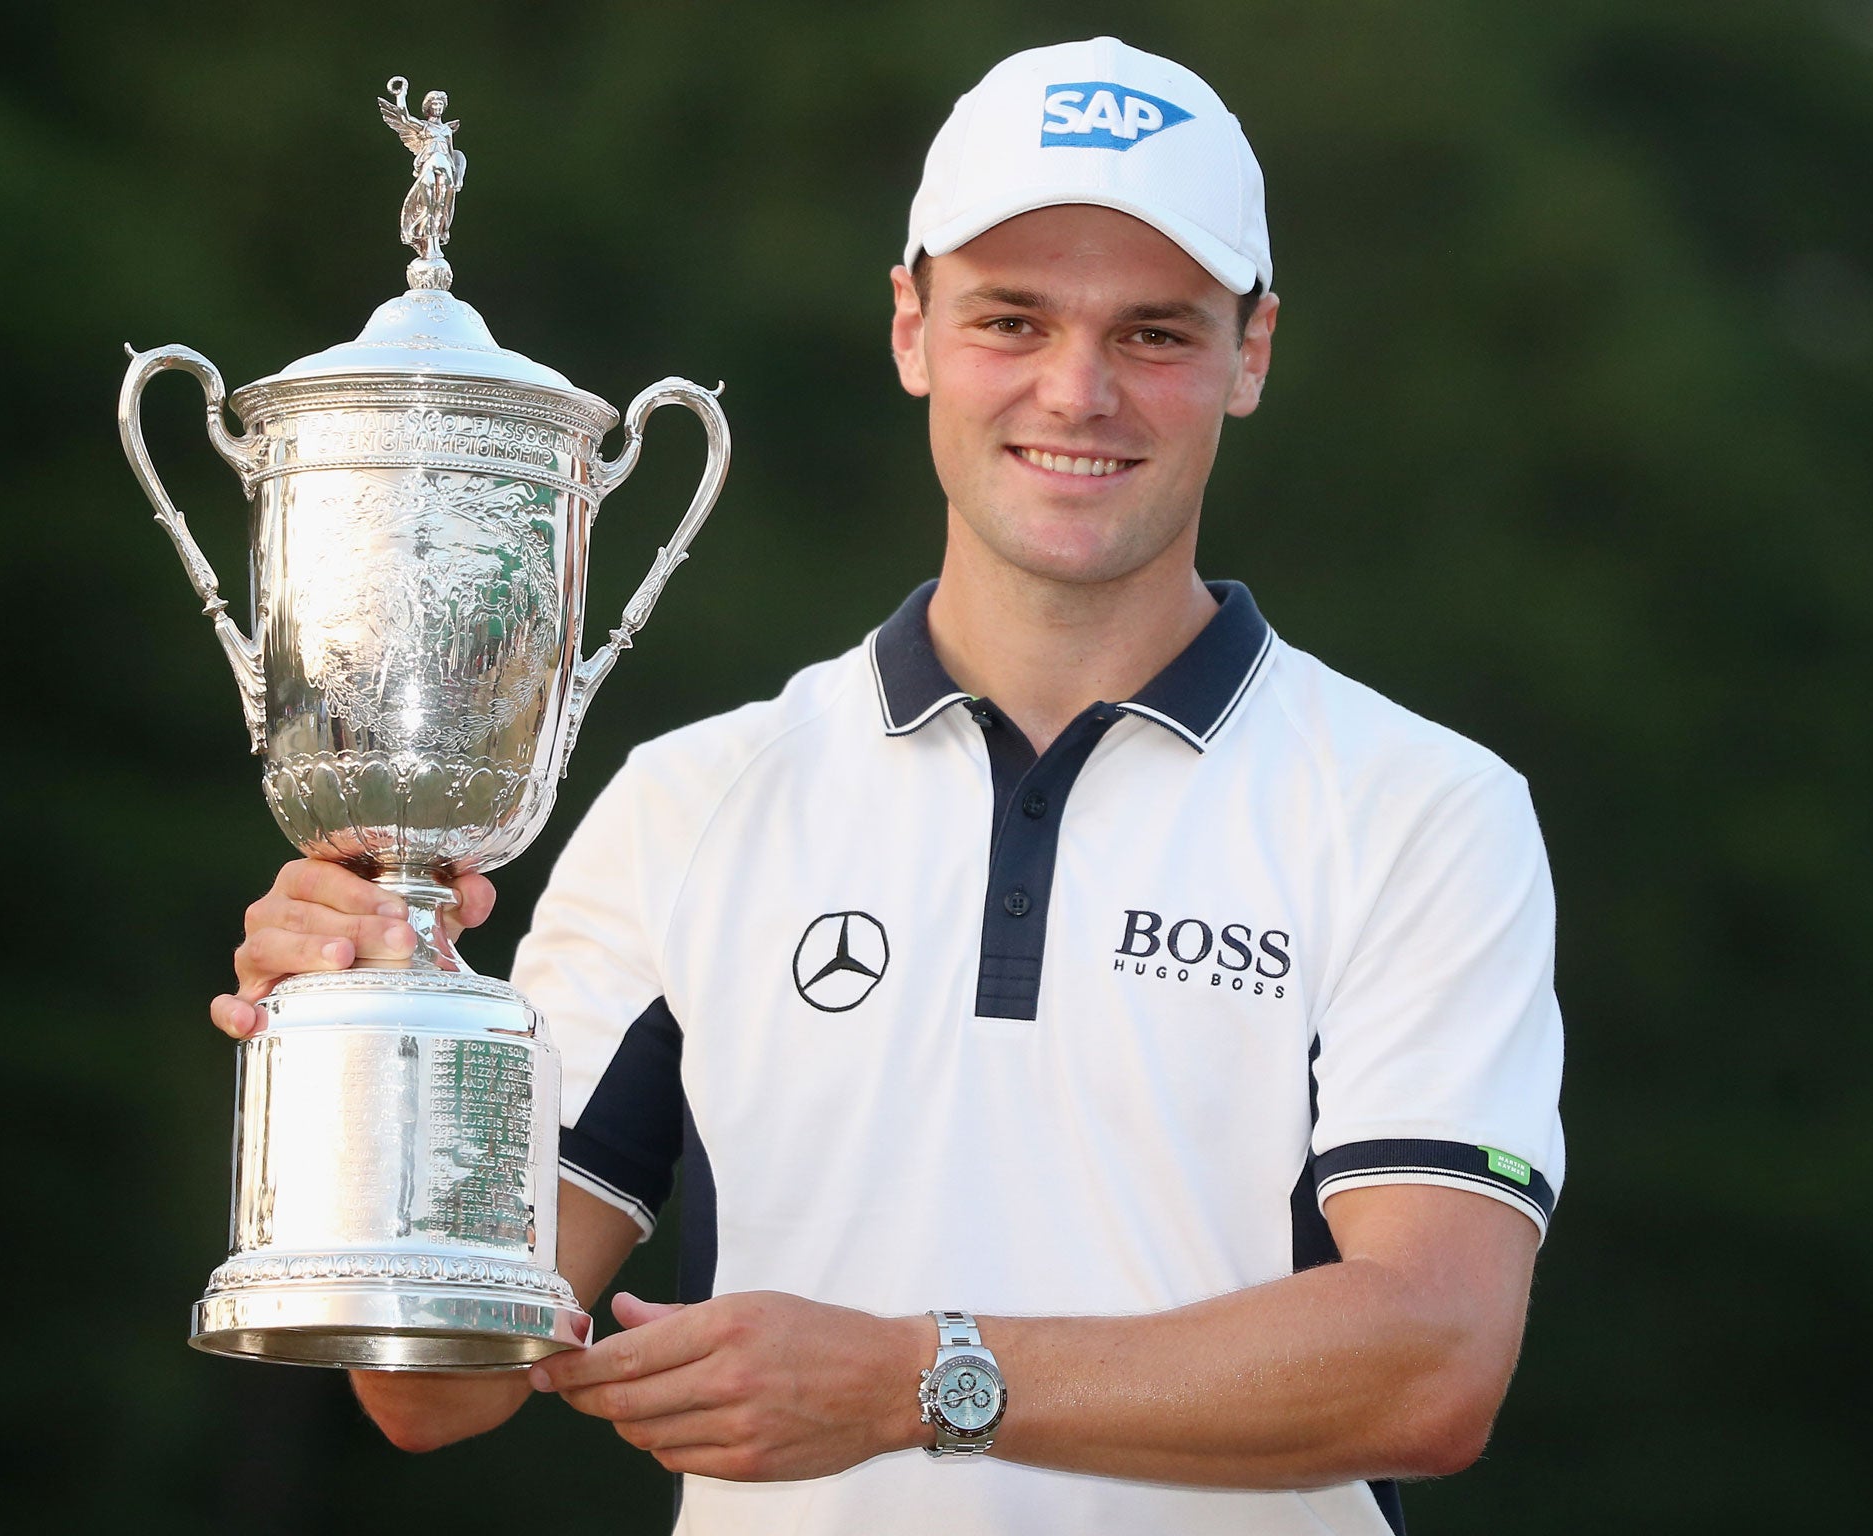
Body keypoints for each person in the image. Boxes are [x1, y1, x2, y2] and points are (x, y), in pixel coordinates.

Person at [215, 36, 1564, 1536]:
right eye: (1012, 319)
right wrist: (376, 1038)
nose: (1078, 390)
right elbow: (434, 1388)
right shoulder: (692, 803)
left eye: (1156, 335)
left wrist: (920, 1381)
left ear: (1252, 352)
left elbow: (1434, 1365)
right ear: (912, 327)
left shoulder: (1421, 809)